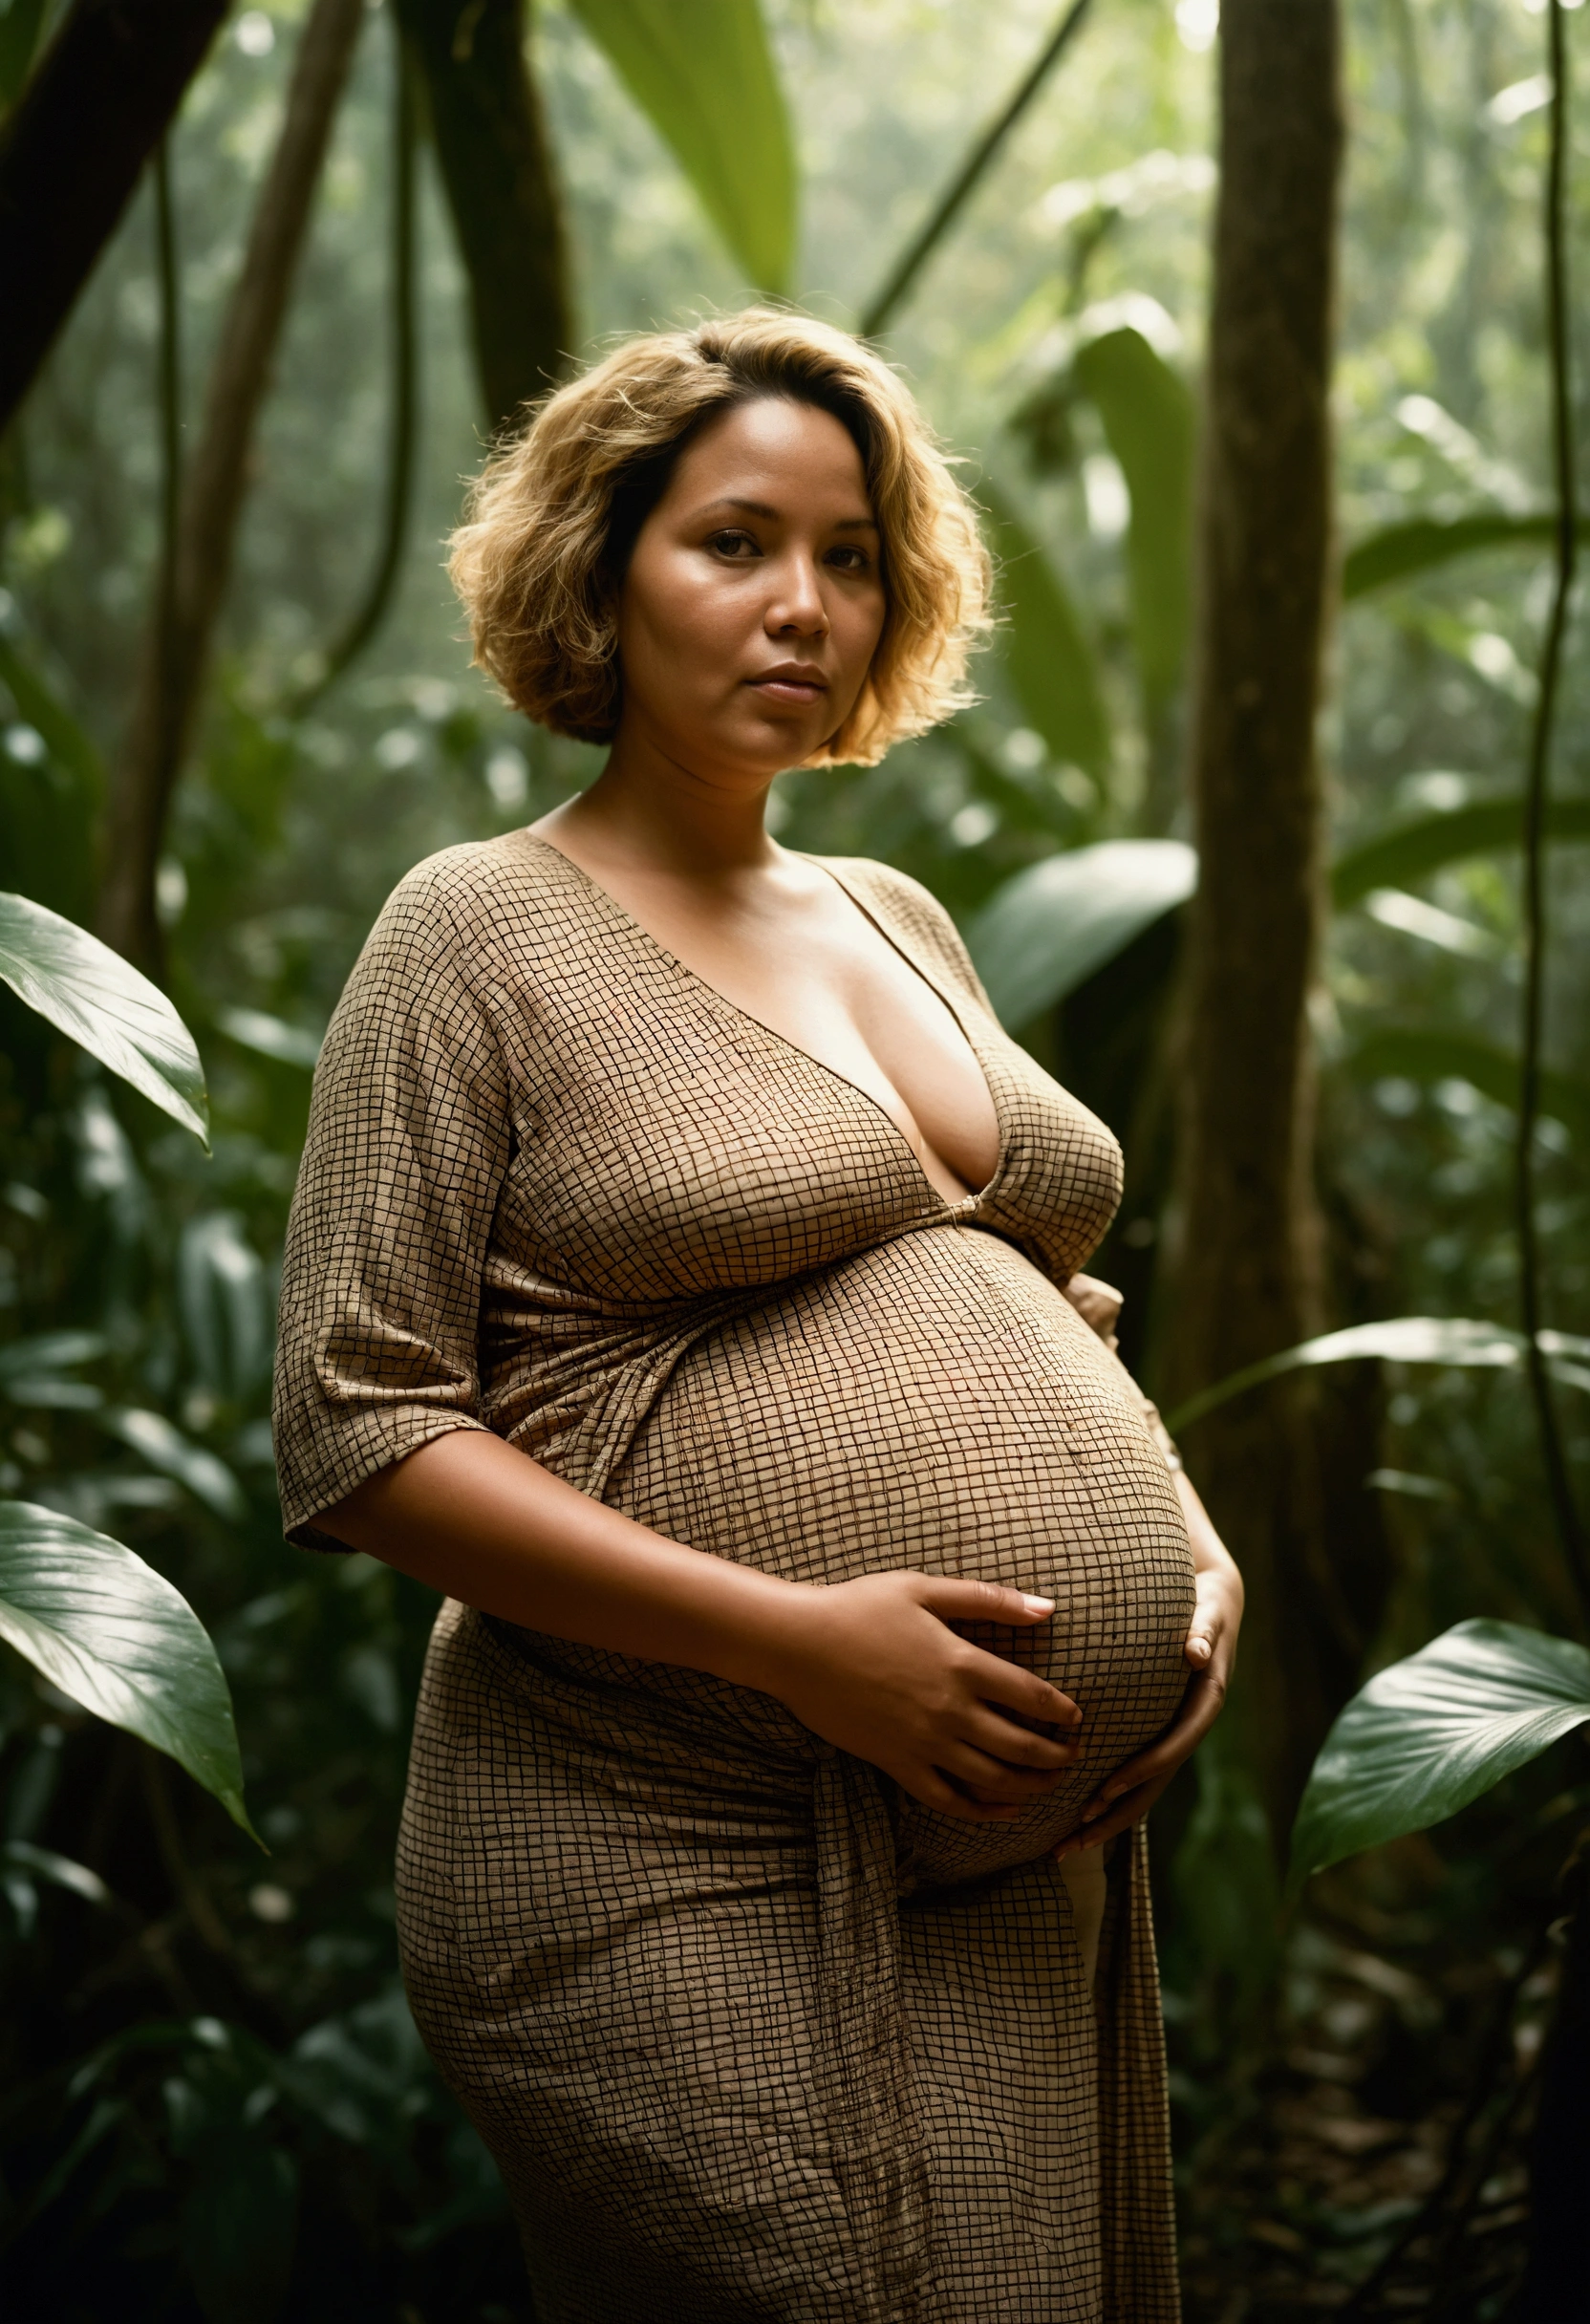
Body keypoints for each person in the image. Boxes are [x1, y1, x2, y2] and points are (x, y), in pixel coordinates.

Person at [272, 309, 1242, 2323]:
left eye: (851, 551)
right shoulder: (472, 929)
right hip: (653, 1825)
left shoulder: (897, 914)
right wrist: (799, 1645)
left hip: (1000, 1858)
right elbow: (357, 1426)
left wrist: (1194, 1555)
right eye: (734, 541)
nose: (803, 602)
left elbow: (1041, 1300)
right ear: (600, 572)